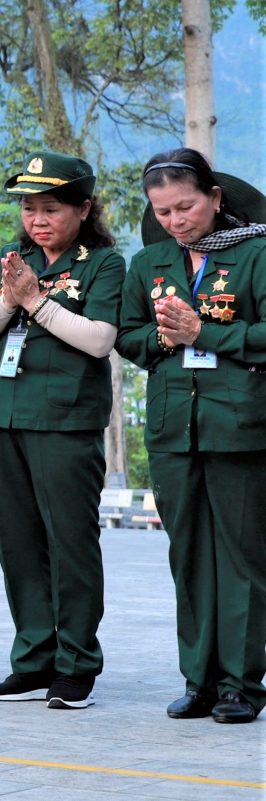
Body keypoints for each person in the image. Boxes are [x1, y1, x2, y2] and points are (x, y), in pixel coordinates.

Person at [0, 153, 126, 711]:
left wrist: (34, 301)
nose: (37, 219)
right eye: (30, 208)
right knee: (18, 544)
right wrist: (9, 299)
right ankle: (33, 661)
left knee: (70, 545)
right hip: (3, 418)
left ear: (83, 209)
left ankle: (76, 663)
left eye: (51, 208)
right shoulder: (15, 260)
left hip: (65, 422)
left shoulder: (103, 264)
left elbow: (100, 339)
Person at [118, 148, 266, 725]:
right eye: (163, 211)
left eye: (186, 206)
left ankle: (242, 685)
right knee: (188, 555)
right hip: (173, 428)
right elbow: (130, 338)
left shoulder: (255, 254)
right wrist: (166, 339)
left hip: (240, 425)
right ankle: (198, 679)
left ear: (215, 198)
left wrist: (206, 332)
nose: (176, 221)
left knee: (243, 556)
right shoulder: (150, 263)